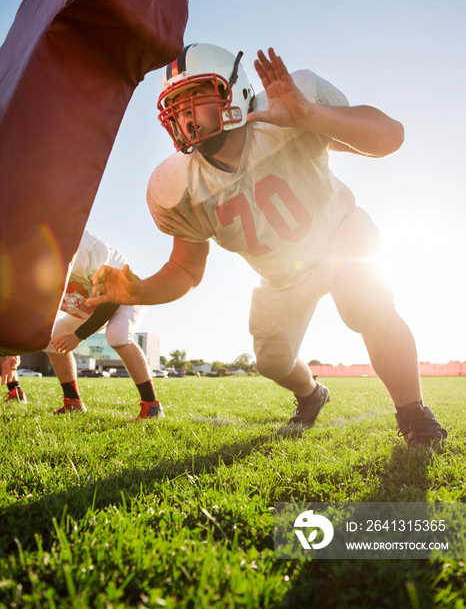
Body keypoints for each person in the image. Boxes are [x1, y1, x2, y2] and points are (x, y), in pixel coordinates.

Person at [88, 44, 446, 448]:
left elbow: (390, 137)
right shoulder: (177, 185)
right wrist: (141, 291)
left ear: (234, 92)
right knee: (271, 361)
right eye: (176, 105)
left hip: (340, 235)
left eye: (195, 98)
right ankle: (312, 395)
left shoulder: (291, 110)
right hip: (281, 276)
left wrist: (311, 115)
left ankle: (414, 413)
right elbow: (187, 270)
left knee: (363, 301)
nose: (184, 115)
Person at [46, 229, 164, 420]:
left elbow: (112, 298)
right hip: (92, 302)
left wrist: (78, 336)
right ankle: (73, 402)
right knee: (54, 338)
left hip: (125, 294)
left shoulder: (82, 247)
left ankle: (152, 406)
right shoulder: (29, 256)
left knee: (116, 334)